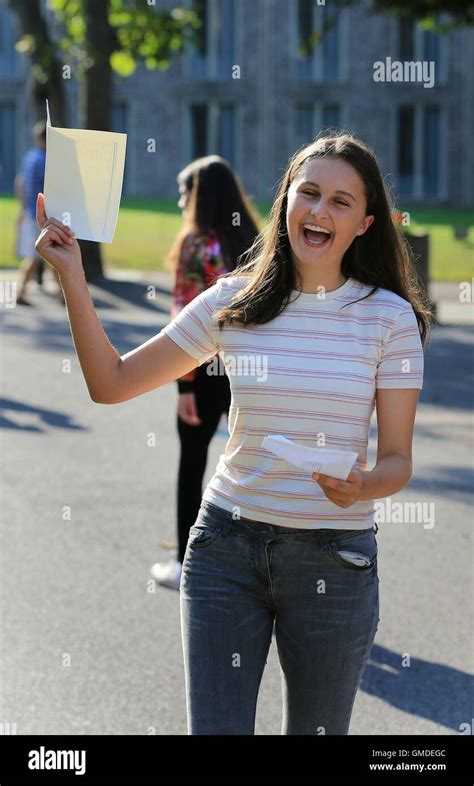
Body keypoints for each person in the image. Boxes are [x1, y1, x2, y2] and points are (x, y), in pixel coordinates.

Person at [34, 131, 433, 735]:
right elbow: (111, 383)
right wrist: (71, 275)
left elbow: (398, 461)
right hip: (225, 549)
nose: (320, 211)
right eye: (309, 193)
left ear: (364, 223)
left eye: (341, 201)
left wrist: (364, 484)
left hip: (335, 558)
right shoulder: (234, 301)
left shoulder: (389, 319)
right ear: (286, 201)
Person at [150, 156, 260, 590]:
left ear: (200, 195)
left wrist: (185, 386)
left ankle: (185, 562)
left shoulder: (197, 244)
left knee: (192, 465)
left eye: (185, 192)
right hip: (248, 368)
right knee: (249, 465)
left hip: (203, 368)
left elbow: (183, 317)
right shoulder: (253, 242)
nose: (181, 201)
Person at [16, 119, 61, 305]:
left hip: (29, 211)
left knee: (45, 255)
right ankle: (20, 293)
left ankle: (62, 294)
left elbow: (20, 182)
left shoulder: (30, 157)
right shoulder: (45, 160)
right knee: (38, 256)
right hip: (40, 216)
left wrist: (22, 208)